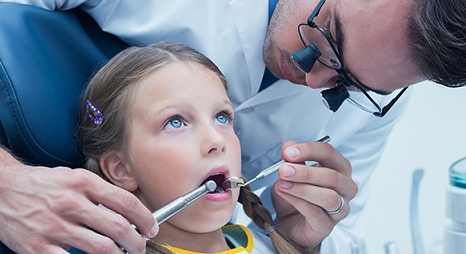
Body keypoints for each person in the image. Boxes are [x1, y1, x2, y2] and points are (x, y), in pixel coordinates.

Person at [0, 0, 466, 253]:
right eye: (325, 41)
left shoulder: (380, 81)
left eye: (348, 87)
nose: (313, 80)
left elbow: (345, 234)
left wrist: (301, 238)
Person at [78, 42, 317, 254]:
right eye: (175, 122)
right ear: (121, 169)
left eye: (222, 117)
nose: (216, 141)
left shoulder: (270, 244)